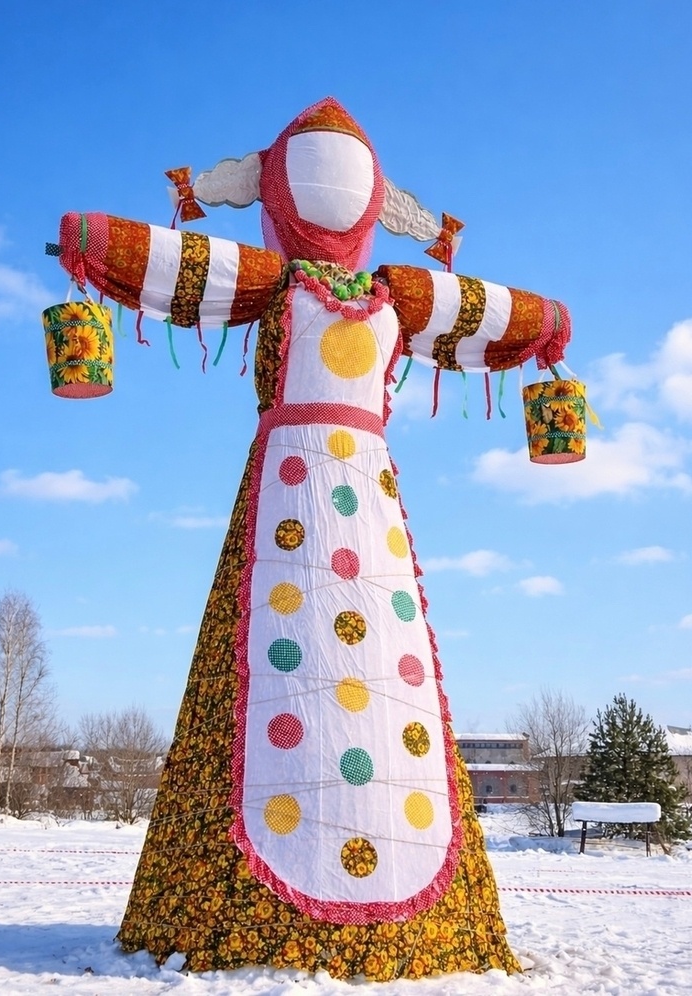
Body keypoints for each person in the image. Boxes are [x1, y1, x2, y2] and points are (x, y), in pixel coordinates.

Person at [53, 97, 570, 981]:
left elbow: (498, 312)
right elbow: (165, 259)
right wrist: (91, 243)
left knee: (381, 678)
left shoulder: (389, 294)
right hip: (295, 503)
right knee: (283, 661)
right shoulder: (285, 283)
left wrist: (548, 328)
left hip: (364, 523)